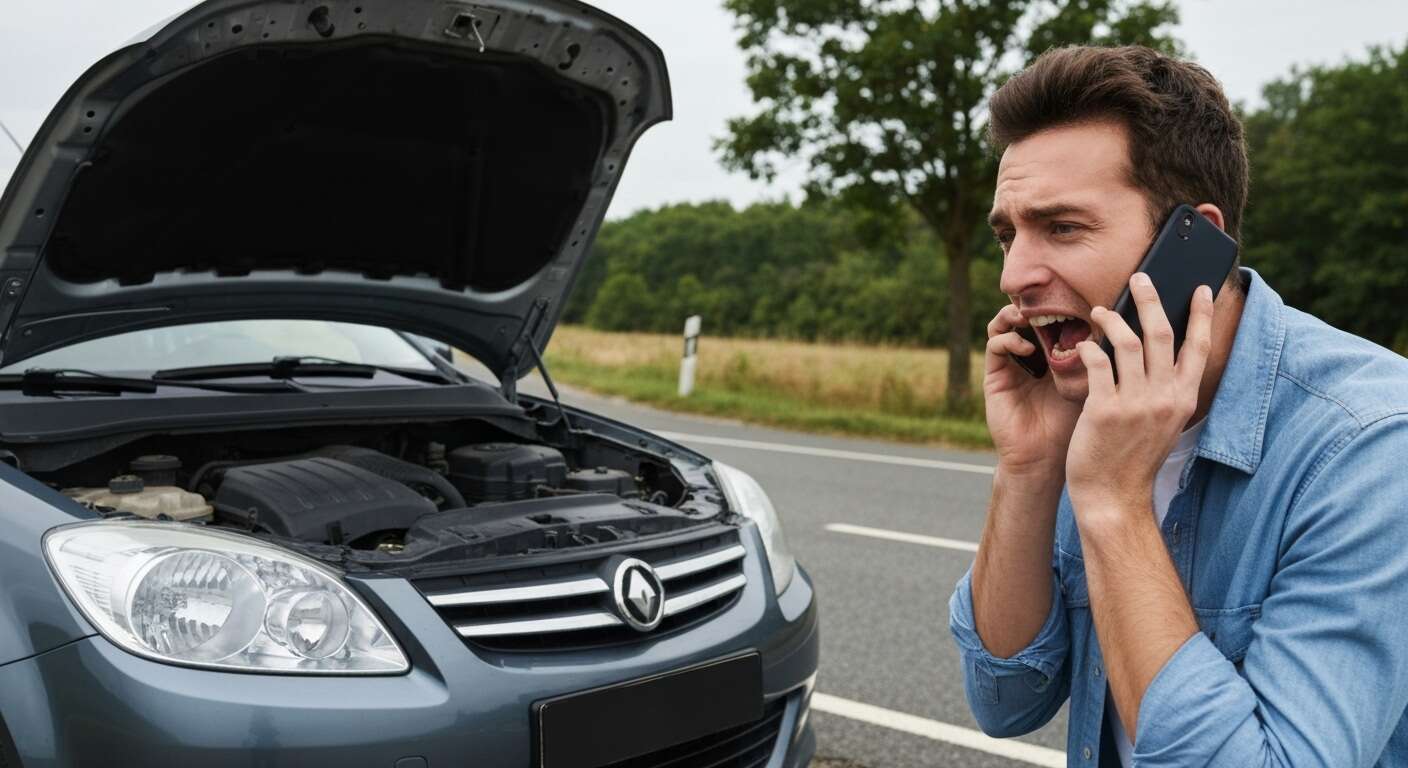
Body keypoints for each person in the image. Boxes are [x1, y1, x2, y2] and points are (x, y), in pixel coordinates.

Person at [947, 44, 1408, 767]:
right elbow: (1005, 699)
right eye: (1009, 234)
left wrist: (1113, 502)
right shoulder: (1090, 408)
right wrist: (1031, 467)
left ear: (1193, 242)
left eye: (1062, 227)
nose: (1015, 275)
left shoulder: (1371, 446)